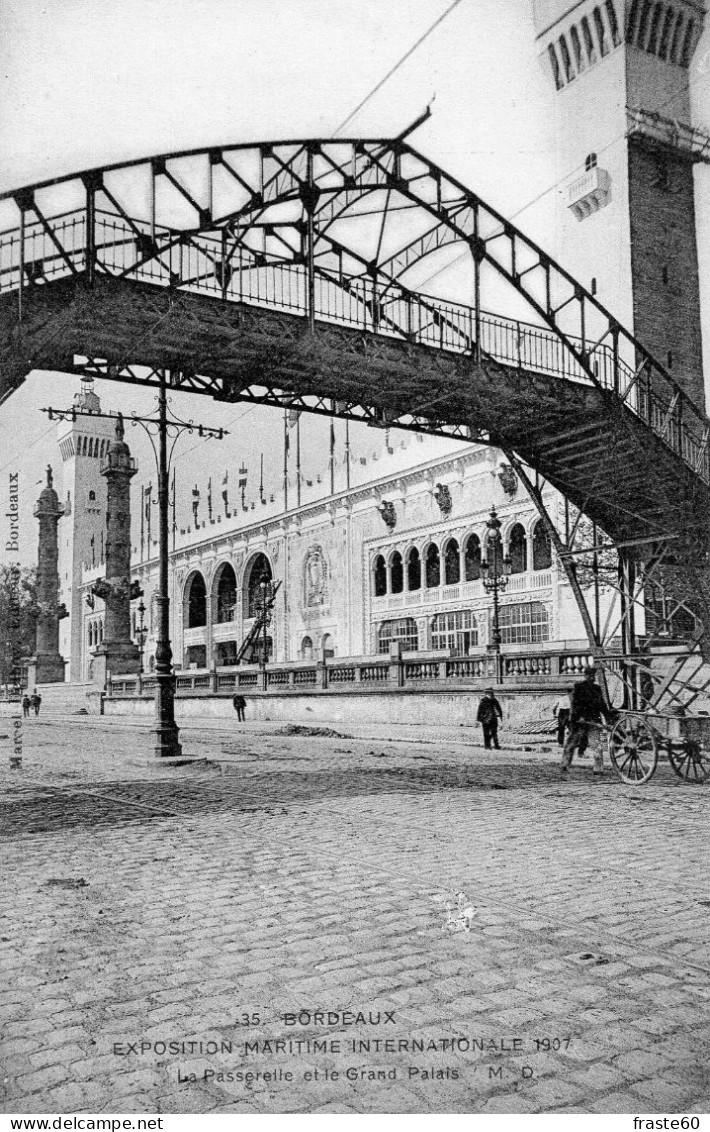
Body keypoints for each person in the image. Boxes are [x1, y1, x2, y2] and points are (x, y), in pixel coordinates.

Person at [561, 666, 616, 776]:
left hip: (593, 719)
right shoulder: (579, 687)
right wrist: (579, 717)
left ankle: (598, 767)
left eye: (593, 675)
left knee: (596, 744)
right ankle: (565, 763)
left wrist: (609, 717)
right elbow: (575, 703)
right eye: (589, 675)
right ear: (585, 676)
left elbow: (601, 705)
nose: (592, 677)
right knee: (572, 742)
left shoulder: (597, 689)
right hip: (578, 721)